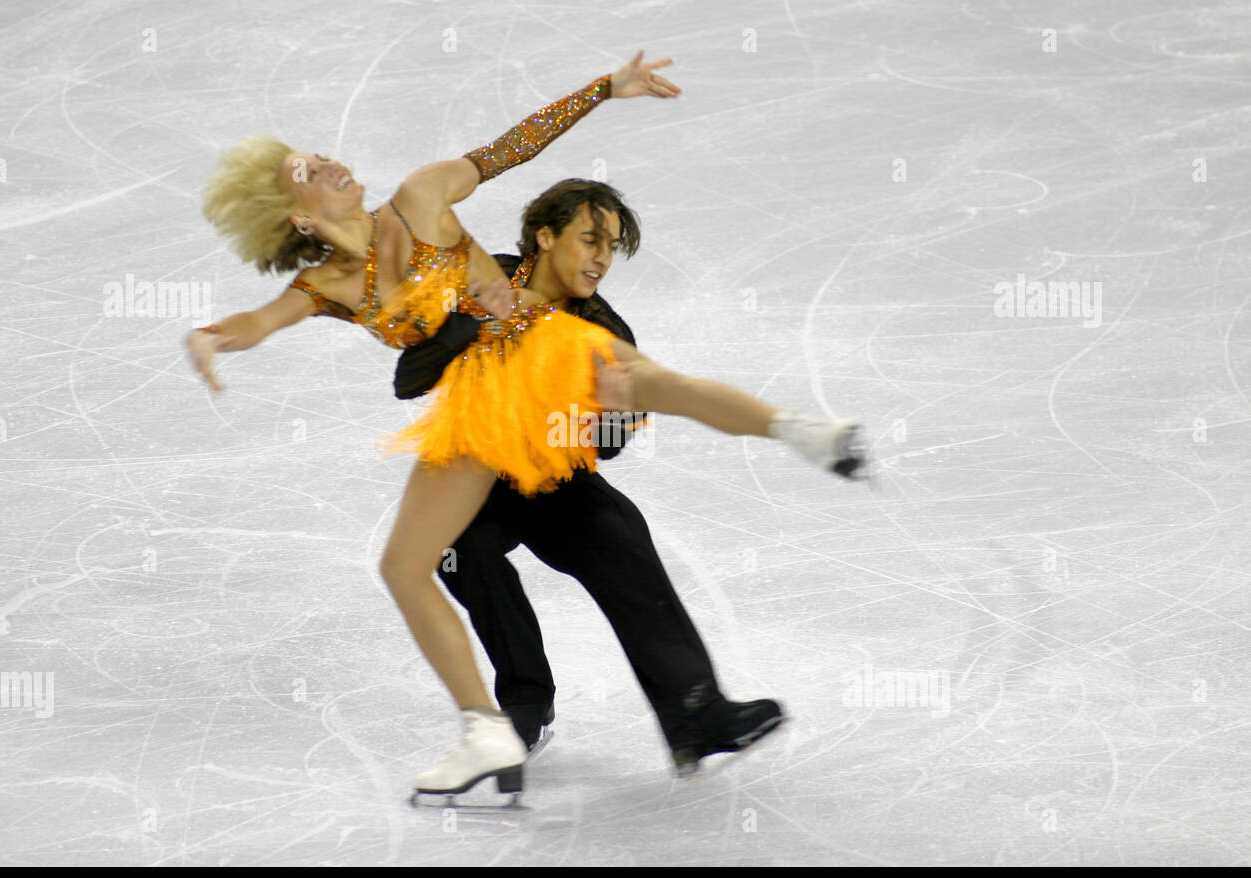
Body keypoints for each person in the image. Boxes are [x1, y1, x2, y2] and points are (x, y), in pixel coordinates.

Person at [188, 53, 866, 801]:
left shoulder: (420, 197)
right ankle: (493, 725)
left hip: (541, 362)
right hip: (485, 409)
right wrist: (214, 336)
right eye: (306, 169)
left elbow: (511, 148)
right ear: (300, 216)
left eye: (319, 154)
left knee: (649, 392)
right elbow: (260, 319)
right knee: (413, 563)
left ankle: (802, 433)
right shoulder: (328, 285)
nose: (329, 161)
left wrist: (605, 89)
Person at [393, 178, 797, 775]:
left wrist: (616, 417)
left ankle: (697, 713)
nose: (602, 258)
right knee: (463, 549)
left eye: (611, 247)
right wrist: (471, 324)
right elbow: (409, 378)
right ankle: (525, 704)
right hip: (472, 474)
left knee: (621, 536)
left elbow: (603, 451)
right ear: (545, 234)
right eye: (590, 240)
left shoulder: (604, 331)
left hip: (555, 480)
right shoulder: (483, 282)